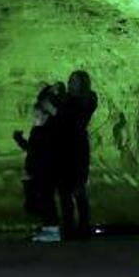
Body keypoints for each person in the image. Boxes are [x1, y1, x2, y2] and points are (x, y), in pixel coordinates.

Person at [13, 84, 65, 243]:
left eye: (37, 115)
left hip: (45, 171)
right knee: (43, 199)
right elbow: (32, 149)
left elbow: (36, 150)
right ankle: (49, 227)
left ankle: (52, 230)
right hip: (40, 170)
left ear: (45, 115)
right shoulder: (40, 130)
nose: (34, 118)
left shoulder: (46, 130)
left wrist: (21, 141)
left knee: (46, 199)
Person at [56, 69, 98, 239]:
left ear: (82, 84)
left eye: (74, 81)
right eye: (70, 80)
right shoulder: (67, 100)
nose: (70, 83)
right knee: (64, 192)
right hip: (63, 148)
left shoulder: (86, 100)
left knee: (78, 188)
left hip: (77, 148)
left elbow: (75, 117)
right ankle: (69, 230)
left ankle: (83, 228)